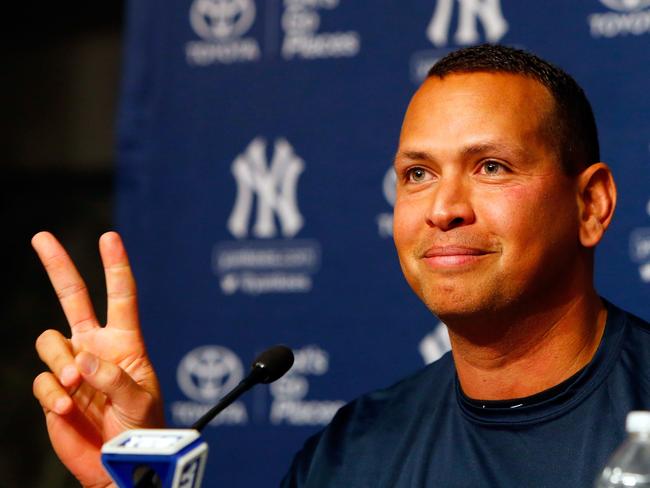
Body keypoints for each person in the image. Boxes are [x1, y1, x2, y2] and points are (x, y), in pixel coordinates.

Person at [32, 44, 650, 487]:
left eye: (491, 166)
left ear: (590, 204)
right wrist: (141, 479)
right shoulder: (352, 451)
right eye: (418, 174)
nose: (444, 209)